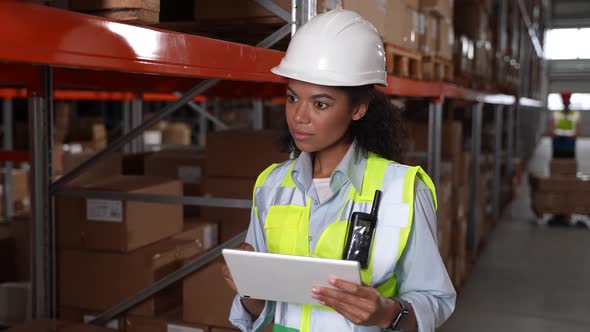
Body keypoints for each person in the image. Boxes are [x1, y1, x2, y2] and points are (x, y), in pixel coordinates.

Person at [223, 9, 456, 332]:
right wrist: (248, 286)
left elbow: (436, 299)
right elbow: (267, 308)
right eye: (292, 98)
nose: (299, 117)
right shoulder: (272, 184)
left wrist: (387, 313)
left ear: (358, 108)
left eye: (320, 104)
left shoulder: (401, 190)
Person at [549, 90, 581, 159]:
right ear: (563, 103)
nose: (566, 105)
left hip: (570, 141)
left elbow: (578, 128)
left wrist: (574, 135)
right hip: (558, 140)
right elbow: (551, 127)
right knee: (557, 158)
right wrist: (553, 134)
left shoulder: (575, 114)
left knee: (569, 158)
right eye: (564, 103)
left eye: (567, 103)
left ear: (569, 103)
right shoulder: (556, 114)